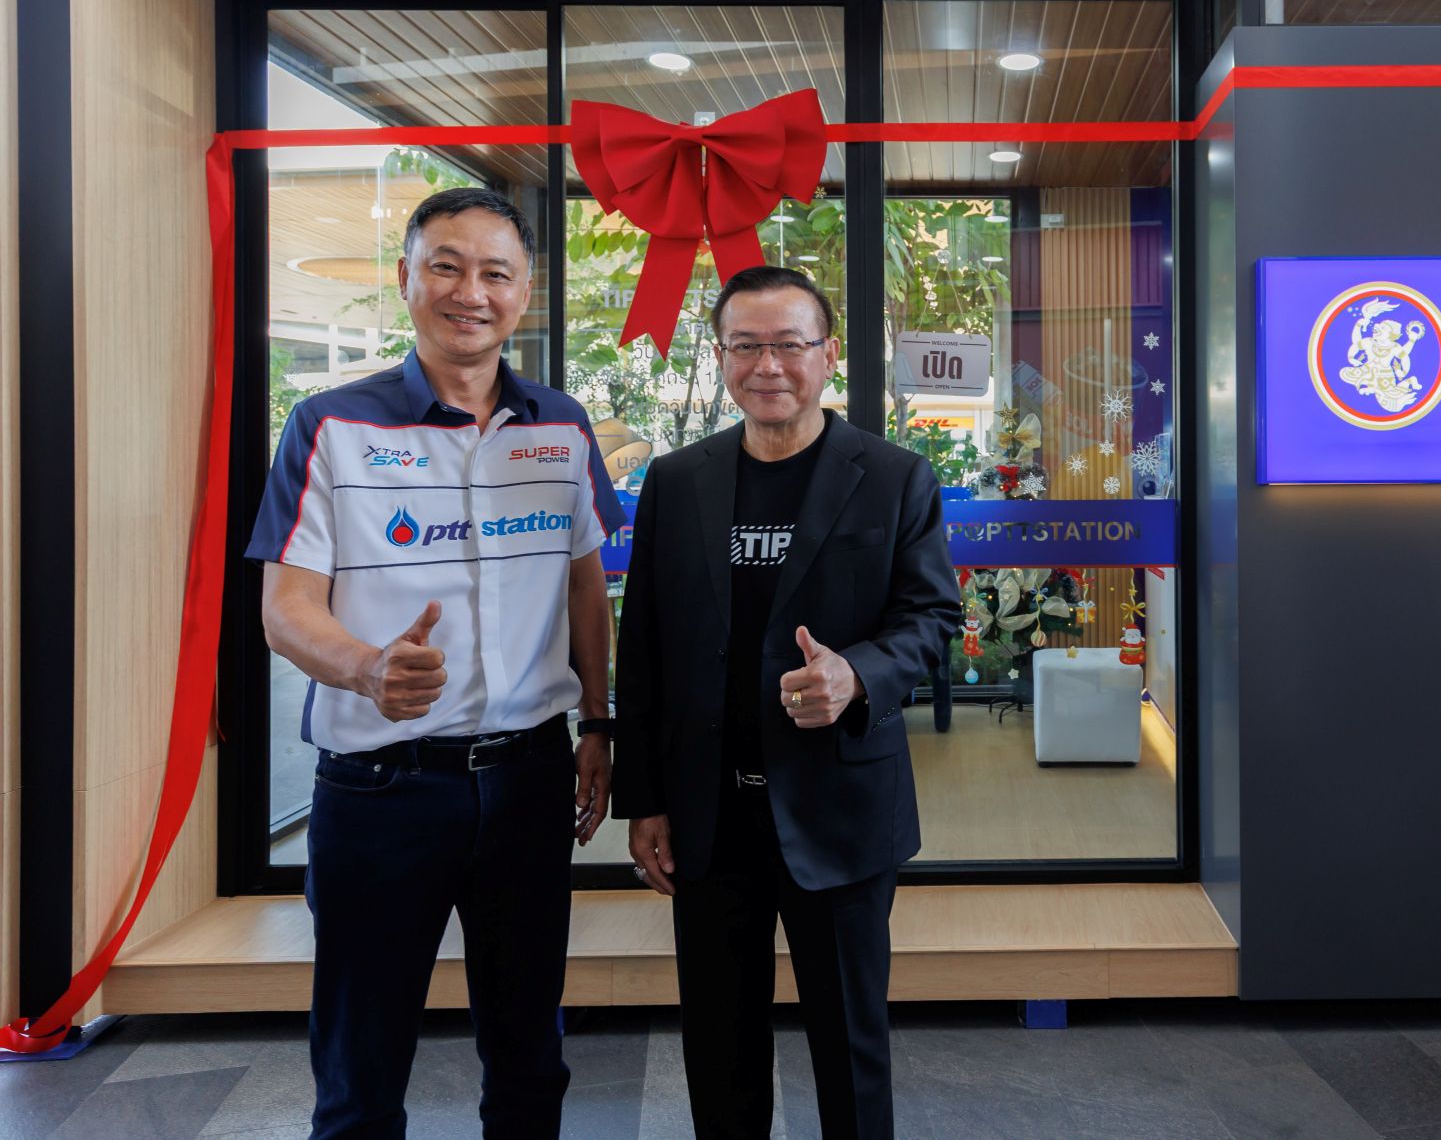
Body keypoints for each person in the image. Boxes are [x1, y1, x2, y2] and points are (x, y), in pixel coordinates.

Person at [248, 187, 624, 1139]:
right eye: (446, 266)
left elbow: (586, 586)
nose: (471, 292)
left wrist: (597, 721)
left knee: (530, 1058)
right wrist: (364, 666)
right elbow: (285, 609)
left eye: (496, 272)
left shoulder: (562, 425)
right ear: (407, 278)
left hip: (528, 782)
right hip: (380, 791)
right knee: (360, 1072)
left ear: (525, 292)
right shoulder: (330, 425)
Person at [615, 264, 958, 1140]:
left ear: (828, 353)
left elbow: (931, 618)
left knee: (850, 1046)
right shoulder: (676, 480)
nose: (767, 364)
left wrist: (858, 675)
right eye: (746, 345)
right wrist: (644, 799)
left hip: (841, 809)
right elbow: (643, 646)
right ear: (721, 356)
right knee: (718, 1046)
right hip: (708, 813)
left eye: (789, 344)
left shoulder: (893, 476)